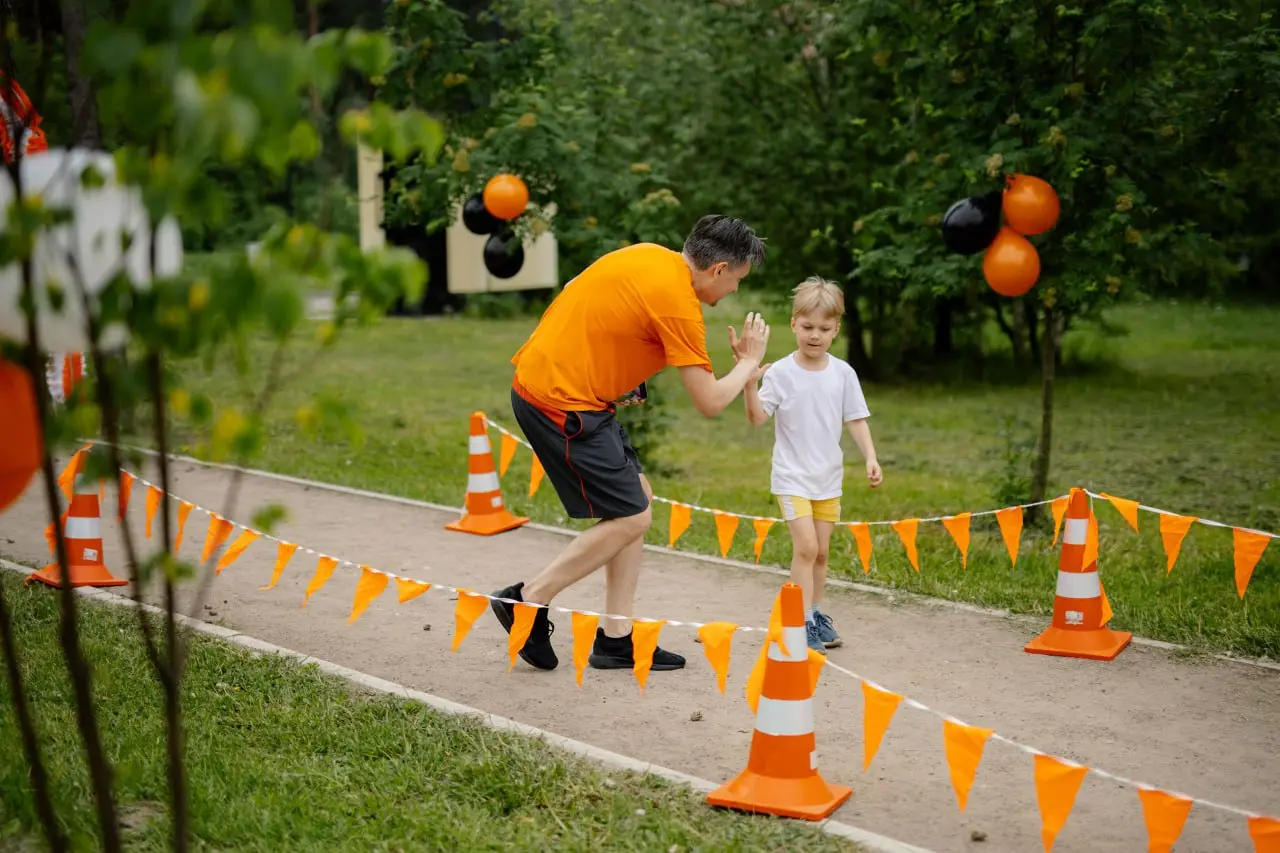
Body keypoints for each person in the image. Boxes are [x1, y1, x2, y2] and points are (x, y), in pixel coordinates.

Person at [490, 215, 770, 673]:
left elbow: (584, 296)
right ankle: (528, 600)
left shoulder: (650, 256)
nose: (735, 291)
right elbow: (710, 401)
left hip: (566, 389)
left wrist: (620, 370)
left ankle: (615, 638)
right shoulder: (679, 303)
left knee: (637, 499)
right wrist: (749, 364)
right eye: (737, 280)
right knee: (634, 516)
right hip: (561, 403)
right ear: (719, 269)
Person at [740, 276, 883, 653]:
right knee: (804, 548)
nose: (814, 335)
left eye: (824, 328)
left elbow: (855, 418)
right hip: (791, 478)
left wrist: (870, 456)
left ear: (836, 329)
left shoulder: (843, 373)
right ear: (793, 324)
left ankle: (816, 614)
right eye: (807, 327)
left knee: (820, 553)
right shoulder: (781, 373)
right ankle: (797, 622)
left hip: (828, 480)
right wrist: (750, 385)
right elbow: (757, 419)